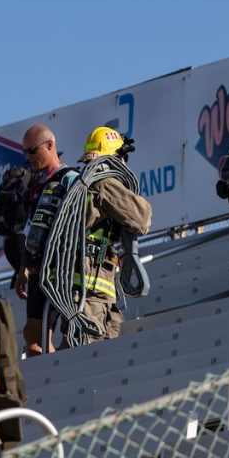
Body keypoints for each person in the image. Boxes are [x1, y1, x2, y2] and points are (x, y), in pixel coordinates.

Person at [39, 127, 152, 346]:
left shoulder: (82, 184)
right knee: (86, 357)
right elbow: (142, 218)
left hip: (91, 293)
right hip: (89, 294)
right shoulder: (103, 184)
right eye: (123, 157)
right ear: (115, 157)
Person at [13, 125, 68, 357]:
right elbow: (31, 228)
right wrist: (24, 267)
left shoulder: (70, 179)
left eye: (32, 151)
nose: (28, 158)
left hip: (61, 270)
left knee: (68, 333)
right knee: (32, 334)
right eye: (25, 153)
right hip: (38, 270)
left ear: (49, 145)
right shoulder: (37, 186)